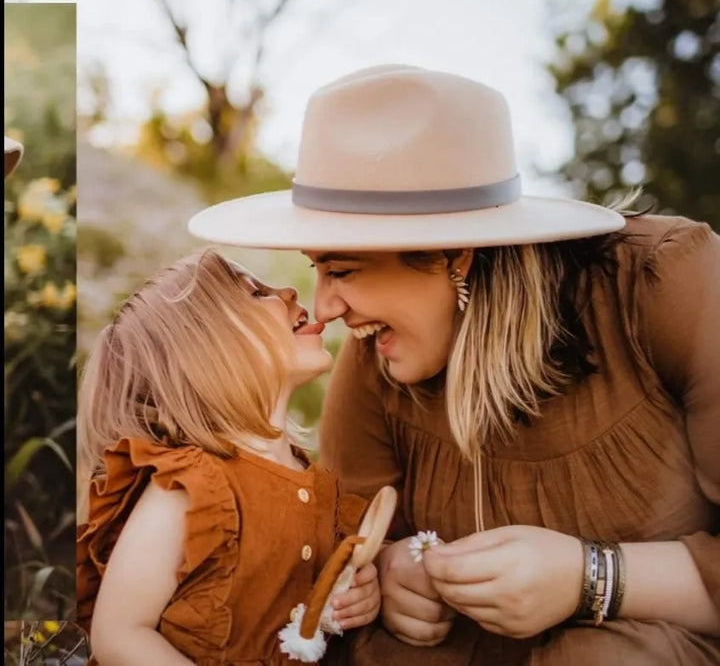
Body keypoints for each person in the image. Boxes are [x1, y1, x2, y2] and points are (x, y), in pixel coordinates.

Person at [187, 64, 720, 665]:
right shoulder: (379, 357)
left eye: (344, 270)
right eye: (318, 268)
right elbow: (343, 539)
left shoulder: (666, 287)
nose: (326, 309)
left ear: (456, 256)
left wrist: (592, 578)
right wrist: (388, 570)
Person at [75, 248, 383, 665]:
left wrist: (355, 596)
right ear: (207, 352)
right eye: (257, 294)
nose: (290, 290)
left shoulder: (310, 483)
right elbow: (119, 635)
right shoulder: (190, 486)